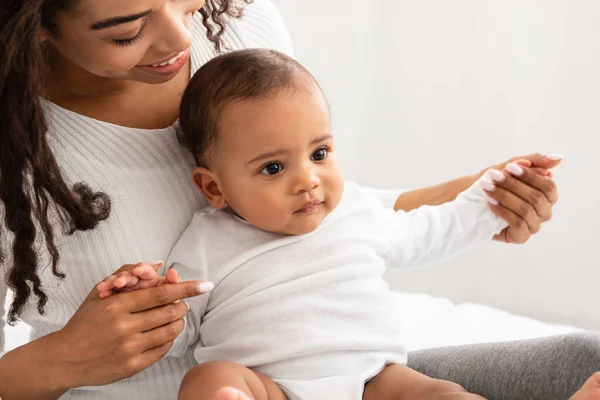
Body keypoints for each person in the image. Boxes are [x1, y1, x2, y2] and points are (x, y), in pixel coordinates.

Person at [0, 0, 595, 399]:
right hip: (254, 387)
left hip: (365, 379)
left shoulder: (233, 23)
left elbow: (331, 213)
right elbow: (182, 304)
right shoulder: (20, 159)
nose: (184, 37)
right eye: (127, 29)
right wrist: (67, 357)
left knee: (583, 358)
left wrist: (483, 200)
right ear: (34, 21)